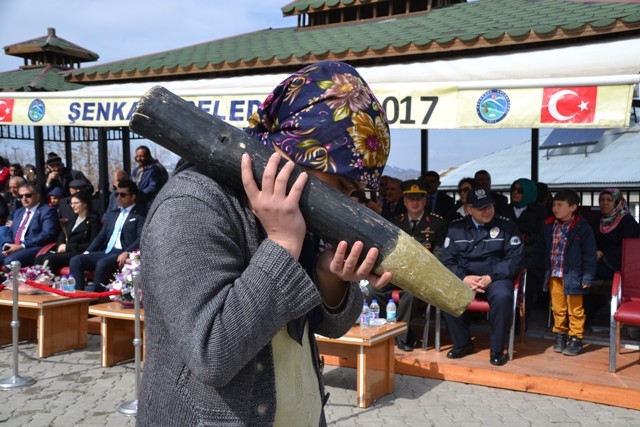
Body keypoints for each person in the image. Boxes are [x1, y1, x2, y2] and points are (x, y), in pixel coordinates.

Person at [137, 61, 394, 426]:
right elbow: (212, 353)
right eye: (340, 185)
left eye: (353, 192)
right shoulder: (192, 205)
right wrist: (283, 245)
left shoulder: (291, 204)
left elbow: (325, 327)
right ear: (304, 149)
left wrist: (331, 277)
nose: (343, 203)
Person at [441, 185, 523, 366]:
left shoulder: (507, 226)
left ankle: (497, 350)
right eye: (481, 208)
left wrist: (490, 277)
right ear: (469, 209)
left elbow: (514, 258)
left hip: (496, 277)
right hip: (466, 276)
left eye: (490, 206)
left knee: (503, 297)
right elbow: (447, 260)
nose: (487, 211)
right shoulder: (456, 229)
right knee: (446, 294)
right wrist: (464, 278)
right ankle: (462, 344)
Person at [368, 179, 447, 351]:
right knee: (373, 290)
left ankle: (401, 336)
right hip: (397, 273)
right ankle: (384, 329)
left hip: (422, 275)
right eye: (411, 199)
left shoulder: (437, 223)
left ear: (425, 201)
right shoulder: (395, 222)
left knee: (411, 294)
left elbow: (439, 254)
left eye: (419, 198)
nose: (415, 202)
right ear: (404, 201)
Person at [543, 190, 597, 356]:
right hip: (554, 274)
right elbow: (542, 249)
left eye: (560, 205)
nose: (555, 208)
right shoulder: (548, 225)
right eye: (554, 204)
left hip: (573, 275)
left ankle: (576, 338)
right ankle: (560, 334)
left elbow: (590, 254)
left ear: (573, 207)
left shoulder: (582, 228)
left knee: (575, 309)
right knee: (558, 307)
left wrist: (587, 276)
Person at [68, 179, 145, 292]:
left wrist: (127, 252)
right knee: (76, 260)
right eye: (117, 194)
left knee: (102, 264)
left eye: (123, 195)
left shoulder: (140, 215)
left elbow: (141, 239)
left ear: (133, 196)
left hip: (122, 253)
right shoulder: (113, 214)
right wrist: (88, 252)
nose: (118, 197)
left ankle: (95, 298)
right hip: (108, 251)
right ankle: (78, 296)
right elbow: (101, 236)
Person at [504, 178, 547, 328]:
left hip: (530, 256)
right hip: (506, 256)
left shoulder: (539, 212)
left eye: (520, 190)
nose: (515, 193)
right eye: (513, 189)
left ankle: (520, 325)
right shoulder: (505, 210)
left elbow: (541, 238)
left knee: (528, 285)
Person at [34, 191, 101, 273]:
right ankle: (36, 281)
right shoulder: (72, 219)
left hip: (79, 252)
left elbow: (93, 243)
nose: (73, 206)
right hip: (65, 251)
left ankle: (47, 282)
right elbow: (62, 235)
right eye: (71, 203)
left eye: (76, 203)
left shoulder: (93, 221)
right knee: (39, 258)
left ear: (85, 203)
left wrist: (69, 247)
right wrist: (61, 245)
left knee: (49, 259)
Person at [0, 183, 60, 267]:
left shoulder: (47, 211)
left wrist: (22, 246)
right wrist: (7, 244)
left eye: (28, 195)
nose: (24, 199)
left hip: (34, 247)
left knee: (10, 262)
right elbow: (10, 232)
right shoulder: (19, 212)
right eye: (21, 196)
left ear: (37, 196)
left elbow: (47, 234)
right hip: (14, 246)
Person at [593, 188, 640, 280]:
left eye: (609, 200)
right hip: (596, 260)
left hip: (618, 264)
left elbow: (629, 248)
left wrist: (604, 256)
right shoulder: (598, 220)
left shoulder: (627, 221)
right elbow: (590, 240)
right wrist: (594, 251)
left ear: (618, 202)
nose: (604, 203)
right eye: (602, 200)